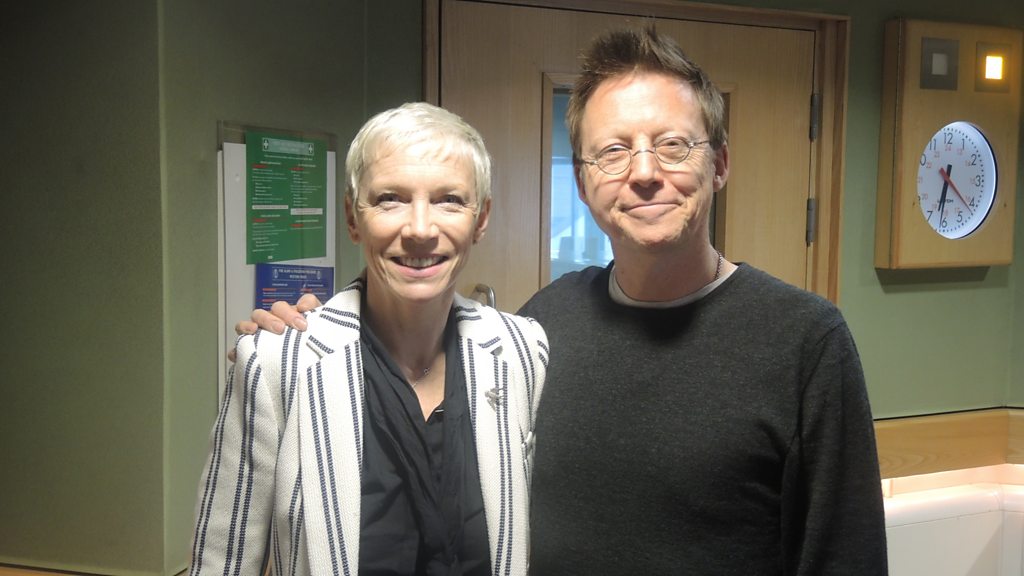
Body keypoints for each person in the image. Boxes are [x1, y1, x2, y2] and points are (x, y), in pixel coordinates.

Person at [247, 26, 887, 575]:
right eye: (613, 152)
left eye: (673, 145)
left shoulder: (805, 342)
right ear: (583, 182)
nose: (644, 172)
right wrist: (308, 335)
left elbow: (845, 558)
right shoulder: (545, 325)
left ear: (719, 164)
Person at [190, 102, 548, 576]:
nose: (420, 229)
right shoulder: (276, 361)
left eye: (449, 200)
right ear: (352, 218)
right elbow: (223, 562)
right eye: (389, 199)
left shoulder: (523, 353)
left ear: (480, 219)